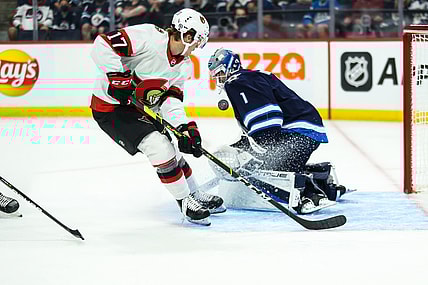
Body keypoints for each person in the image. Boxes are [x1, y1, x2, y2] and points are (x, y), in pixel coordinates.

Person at [89, 8, 225, 226]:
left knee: (173, 152)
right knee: (159, 147)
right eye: (197, 41)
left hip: (140, 107)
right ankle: (184, 202)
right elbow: (103, 44)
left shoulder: (184, 66)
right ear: (187, 35)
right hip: (112, 108)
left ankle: (195, 193)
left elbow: (170, 101)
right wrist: (117, 77)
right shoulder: (149, 37)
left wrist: (185, 128)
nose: (197, 47)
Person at [207, 48, 351, 214]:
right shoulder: (250, 77)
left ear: (231, 68)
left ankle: (312, 195)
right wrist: (243, 146)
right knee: (275, 162)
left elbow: (268, 119)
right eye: (215, 76)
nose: (219, 79)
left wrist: (255, 154)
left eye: (220, 74)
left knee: (268, 171)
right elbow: (264, 124)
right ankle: (323, 179)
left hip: (298, 132)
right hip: (306, 128)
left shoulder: (236, 81)